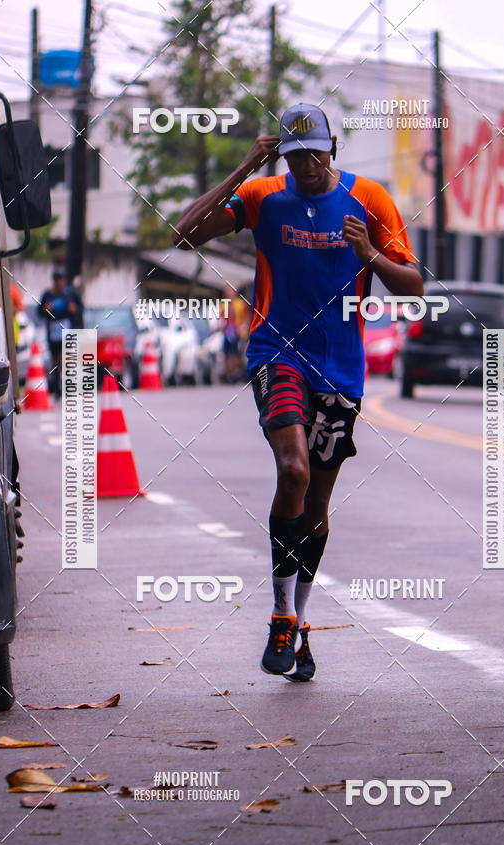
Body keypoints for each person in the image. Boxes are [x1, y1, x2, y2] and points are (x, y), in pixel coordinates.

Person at [173, 102, 424, 681]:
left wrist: (370, 254)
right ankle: (281, 616)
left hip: (340, 369)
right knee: (294, 470)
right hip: (276, 353)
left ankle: (300, 622)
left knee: (316, 503)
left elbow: (413, 287)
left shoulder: (370, 200)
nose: (306, 166)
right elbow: (184, 234)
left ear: (333, 147)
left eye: (314, 153)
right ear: (280, 156)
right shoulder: (263, 197)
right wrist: (244, 167)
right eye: (293, 156)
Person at [38, 268, 83, 396]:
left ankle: (69, 386)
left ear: (64, 280)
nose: (59, 282)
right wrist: (45, 310)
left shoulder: (70, 294)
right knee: (56, 361)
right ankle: (58, 389)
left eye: (61, 280)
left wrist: (75, 309)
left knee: (67, 359)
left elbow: (81, 308)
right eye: (56, 280)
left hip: (68, 331)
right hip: (53, 333)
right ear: (53, 281)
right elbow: (39, 312)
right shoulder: (48, 295)